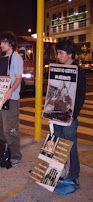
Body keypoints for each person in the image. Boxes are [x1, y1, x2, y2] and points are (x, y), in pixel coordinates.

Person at [53, 40, 86, 188]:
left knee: (71, 146)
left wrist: (74, 114)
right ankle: (57, 172)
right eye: (58, 53)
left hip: (69, 117)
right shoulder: (57, 69)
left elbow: (80, 96)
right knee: (57, 144)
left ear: (70, 54)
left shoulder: (79, 72)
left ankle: (74, 175)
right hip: (56, 114)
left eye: (61, 53)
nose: (58, 56)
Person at [0, 31, 23, 166]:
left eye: (3, 42)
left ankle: (15, 154)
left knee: (10, 127)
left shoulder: (16, 58)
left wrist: (10, 91)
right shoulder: (1, 58)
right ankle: (2, 151)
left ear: (10, 43)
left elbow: (18, 78)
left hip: (11, 98)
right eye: (1, 42)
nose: (1, 45)